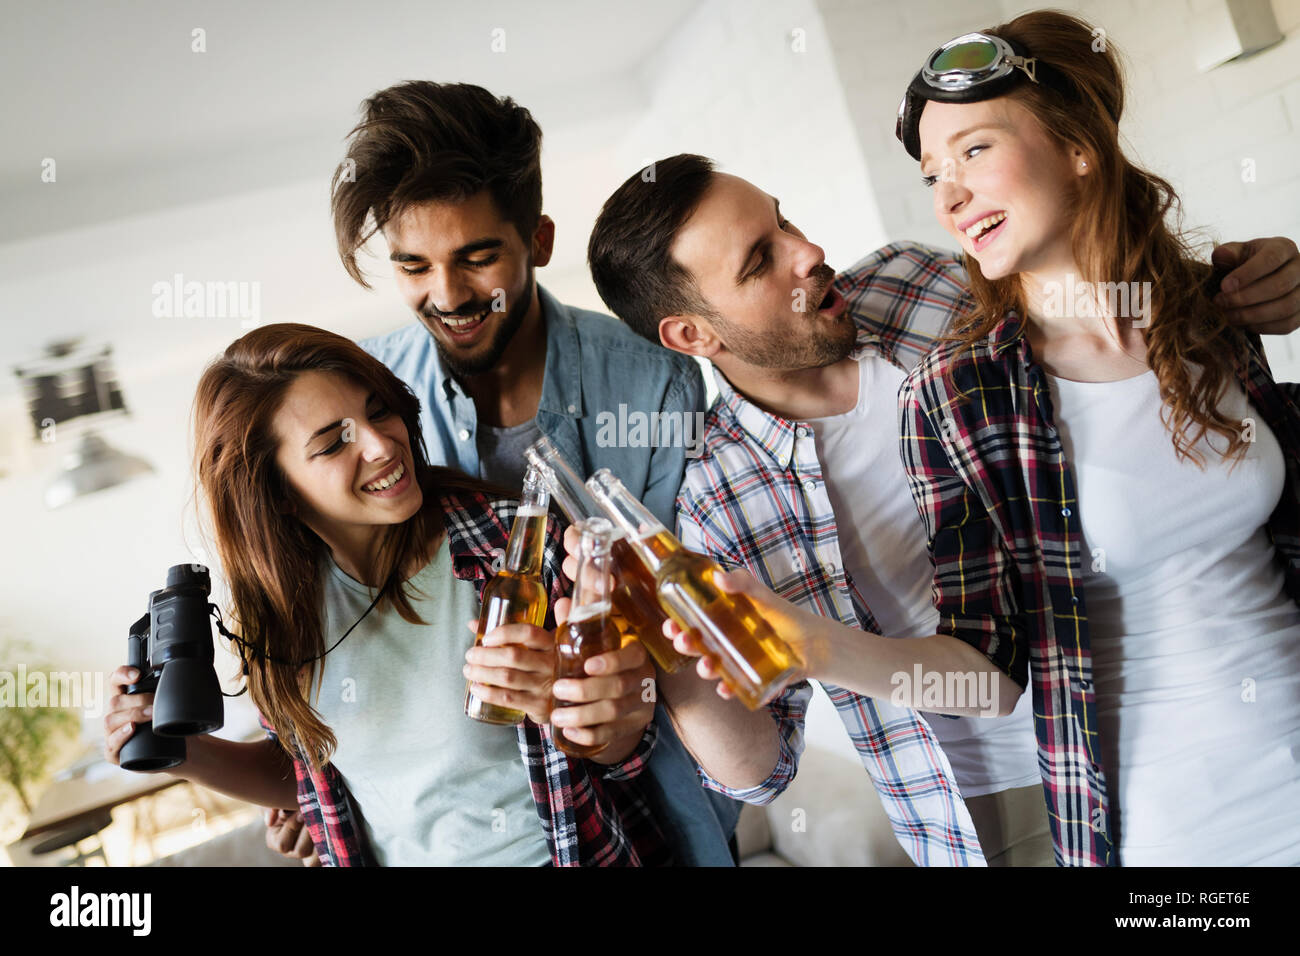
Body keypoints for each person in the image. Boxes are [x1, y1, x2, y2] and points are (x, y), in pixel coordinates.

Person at [584, 142, 1300, 864]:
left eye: (785, 223)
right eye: (760, 260)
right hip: (995, 801)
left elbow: (1107, 331)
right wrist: (664, 639)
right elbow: (759, 773)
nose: (808, 252)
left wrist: (1237, 287)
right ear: (692, 334)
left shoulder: (915, 280)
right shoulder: (718, 495)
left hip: (1159, 715)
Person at [270, 81, 738, 866]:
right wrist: (331, 791)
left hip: (640, 796)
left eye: (477, 257)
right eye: (413, 265)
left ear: (540, 239)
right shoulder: (378, 393)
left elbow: (673, 616)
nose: (447, 296)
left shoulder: (654, 382)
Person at [893, 10, 1300, 865]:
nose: (950, 196)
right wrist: (811, 648)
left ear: (1078, 143)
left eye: (973, 150)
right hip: (1184, 834)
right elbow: (985, 673)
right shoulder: (962, 393)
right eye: (934, 174)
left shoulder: (1210, 308)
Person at [103, 323, 667, 866]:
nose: (380, 444)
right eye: (331, 445)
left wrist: (571, 706)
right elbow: (312, 770)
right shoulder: (281, 619)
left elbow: (630, 747)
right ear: (278, 495)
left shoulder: (516, 548)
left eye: (378, 410)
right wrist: (177, 751)